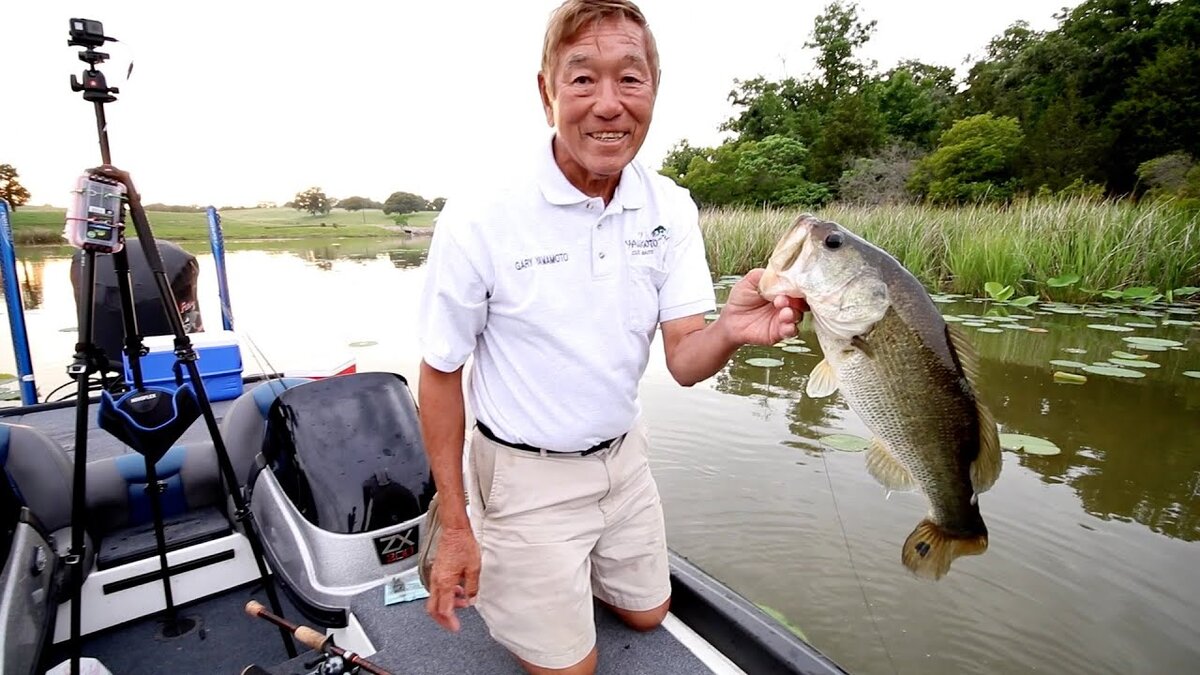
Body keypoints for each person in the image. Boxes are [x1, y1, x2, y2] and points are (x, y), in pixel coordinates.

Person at [415, 1, 806, 673]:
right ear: (547, 93)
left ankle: (566, 562)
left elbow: (685, 359)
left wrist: (731, 331)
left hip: (622, 461)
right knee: (575, 669)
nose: (608, 104)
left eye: (630, 78)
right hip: (525, 472)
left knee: (649, 614)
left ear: (654, 89)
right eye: (582, 79)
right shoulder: (482, 214)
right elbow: (440, 373)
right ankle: (467, 525)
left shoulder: (669, 206)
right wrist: (457, 524)